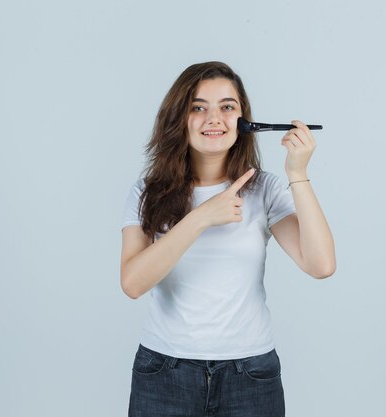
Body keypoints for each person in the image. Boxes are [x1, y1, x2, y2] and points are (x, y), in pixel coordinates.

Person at [120, 61, 336, 417]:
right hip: (164, 373)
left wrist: (297, 173)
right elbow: (132, 283)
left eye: (227, 107)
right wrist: (201, 217)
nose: (214, 118)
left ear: (243, 120)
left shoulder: (264, 188)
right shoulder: (147, 192)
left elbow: (321, 264)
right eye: (198, 107)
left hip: (250, 375)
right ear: (179, 117)